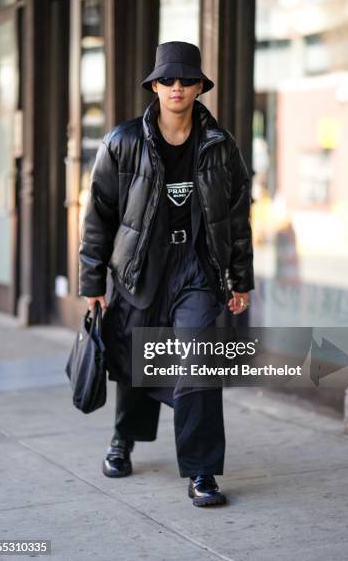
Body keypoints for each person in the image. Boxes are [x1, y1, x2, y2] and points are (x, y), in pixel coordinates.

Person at [79, 41, 254, 507]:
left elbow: (237, 217)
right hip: (141, 267)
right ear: (154, 86)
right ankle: (123, 440)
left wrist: (241, 278)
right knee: (138, 360)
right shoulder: (123, 141)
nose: (177, 88)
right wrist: (92, 282)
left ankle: (201, 472)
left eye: (187, 80)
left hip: (198, 269)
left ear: (199, 87)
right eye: (168, 80)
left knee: (198, 362)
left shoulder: (220, 144)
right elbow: (99, 213)